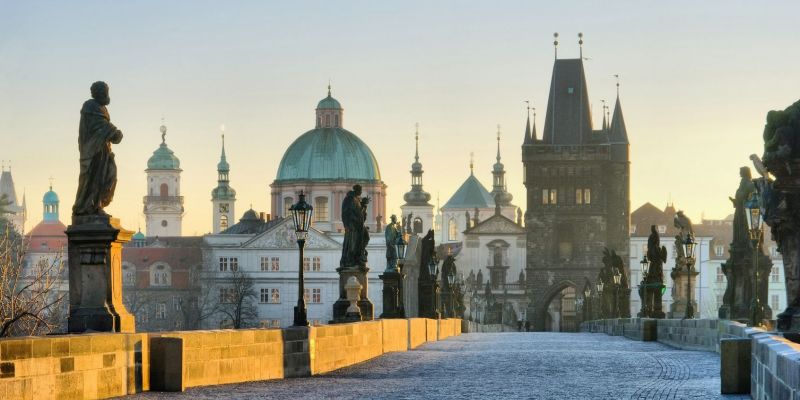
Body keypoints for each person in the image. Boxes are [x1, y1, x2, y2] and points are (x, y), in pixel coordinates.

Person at [73, 81, 123, 217]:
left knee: (108, 175)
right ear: (97, 93)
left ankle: (97, 204)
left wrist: (112, 133)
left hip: (103, 150)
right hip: (92, 151)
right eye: (104, 92)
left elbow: (103, 126)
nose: (106, 94)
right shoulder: (90, 105)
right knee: (92, 179)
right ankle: (86, 207)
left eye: (106, 91)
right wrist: (114, 132)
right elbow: (98, 125)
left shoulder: (102, 108)